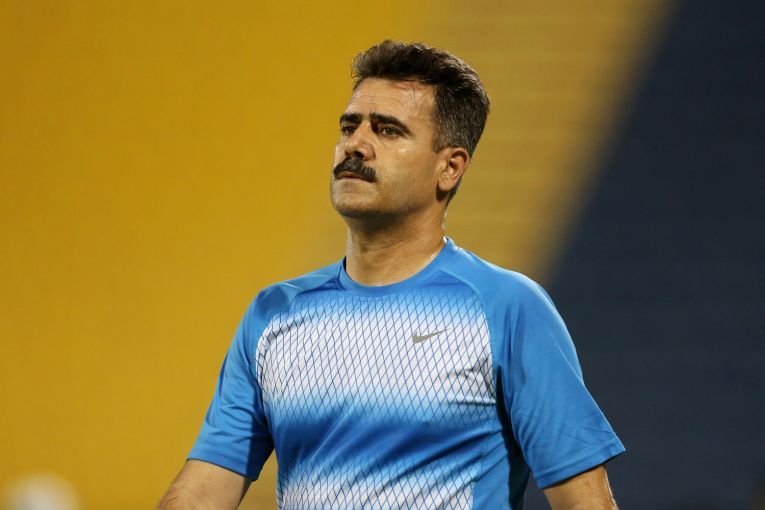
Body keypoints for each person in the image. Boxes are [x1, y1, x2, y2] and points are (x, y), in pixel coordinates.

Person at [158, 40, 625, 510]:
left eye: (387, 130)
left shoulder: (508, 308)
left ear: (449, 167)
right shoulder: (274, 314)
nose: (355, 145)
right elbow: (202, 493)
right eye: (350, 126)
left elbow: (585, 503)